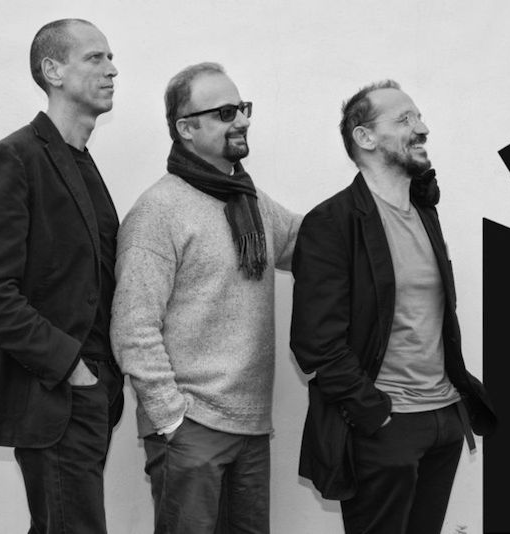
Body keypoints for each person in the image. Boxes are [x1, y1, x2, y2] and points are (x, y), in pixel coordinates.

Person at [290, 80, 497, 534]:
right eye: (404, 119)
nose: (421, 128)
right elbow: (315, 343)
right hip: (386, 428)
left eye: (418, 117)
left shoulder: (424, 212)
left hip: (443, 419)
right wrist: (375, 414)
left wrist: (452, 409)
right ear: (364, 137)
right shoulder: (332, 223)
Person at [0, 19, 123, 534]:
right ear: (53, 71)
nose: (112, 70)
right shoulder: (15, 157)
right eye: (95, 57)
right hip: (56, 394)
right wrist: (72, 369)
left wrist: (104, 380)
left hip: (90, 394)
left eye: (111, 58)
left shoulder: (81, 162)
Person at [111, 62, 300, 534]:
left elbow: (313, 244)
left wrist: (378, 200)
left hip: (251, 430)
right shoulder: (158, 211)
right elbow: (133, 325)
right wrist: (171, 418)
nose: (242, 120)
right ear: (186, 128)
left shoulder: (250, 201)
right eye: (225, 112)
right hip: (191, 430)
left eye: (243, 108)